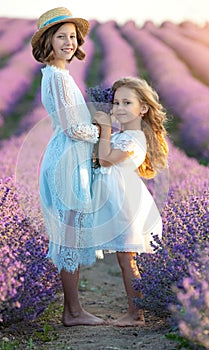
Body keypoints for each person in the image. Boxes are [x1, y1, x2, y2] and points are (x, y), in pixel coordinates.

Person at [31, 7, 104, 326]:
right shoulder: (58, 77)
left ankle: (73, 309)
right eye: (61, 36)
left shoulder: (59, 75)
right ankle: (73, 312)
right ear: (48, 41)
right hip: (67, 159)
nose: (69, 42)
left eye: (72, 37)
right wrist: (102, 132)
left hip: (70, 156)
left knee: (69, 233)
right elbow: (73, 128)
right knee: (69, 235)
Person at [92, 77, 168, 326]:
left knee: (127, 260)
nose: (120, 108)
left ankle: (136, 314)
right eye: (116, 102)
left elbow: (105, 160)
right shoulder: (125, 134)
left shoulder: (133, 138)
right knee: (125, 260)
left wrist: (104, 130)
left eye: (127, 102)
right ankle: (135, 310)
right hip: (119, 201)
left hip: (125, 206)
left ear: (143, 108)